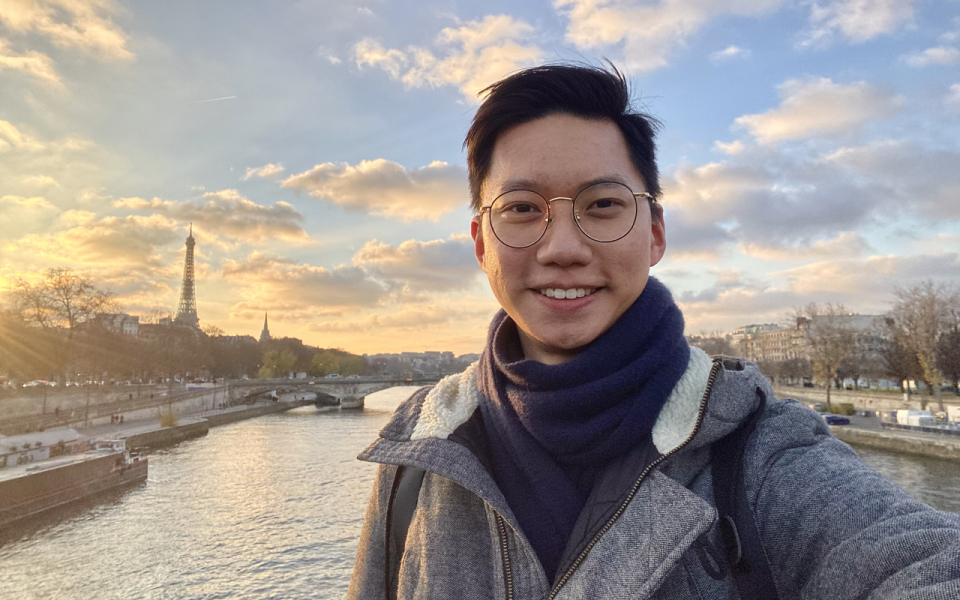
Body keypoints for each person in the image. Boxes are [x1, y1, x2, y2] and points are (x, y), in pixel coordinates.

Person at [346, 64, 960, 600]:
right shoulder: (416, 448)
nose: (562, 248)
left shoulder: (759, 453)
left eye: (603, 205)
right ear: (482, 243)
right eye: (522, 209)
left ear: (656, 233)